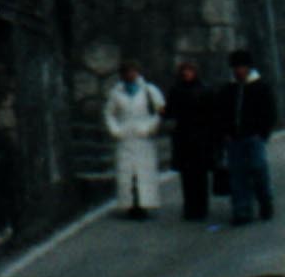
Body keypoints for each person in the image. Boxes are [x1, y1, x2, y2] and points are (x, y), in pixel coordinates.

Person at [221, 47, 278, 226]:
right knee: (237, 175)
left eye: (242, 66)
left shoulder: (260, 87)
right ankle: (241, 209)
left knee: (258, 168)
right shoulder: (228, 89)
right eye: (236, 67)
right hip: (234, 138)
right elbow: (220, 113)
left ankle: (264, 200)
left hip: (253, 136)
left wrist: (262, 133)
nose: (239, 70)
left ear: (248, 68)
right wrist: (225, 133)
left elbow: (269, 112)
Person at [168, 59, 223, 229]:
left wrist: (214, 138)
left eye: (190, 70)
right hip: (183, 137)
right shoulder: (176, 90)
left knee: (200, 174)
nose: (187, 73)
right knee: (187, 175)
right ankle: (190, 206)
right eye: (184, 70)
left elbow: (213, 114)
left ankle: (201, 207)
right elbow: (170, 111)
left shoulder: (205, 90)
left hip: (201, 137)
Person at [104, 60, 163, 218]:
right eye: (127, 72)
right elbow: (109, 114)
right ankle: (130, 205)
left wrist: (150, 127)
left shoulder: (149, 90)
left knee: (143, 172)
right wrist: (115, 130)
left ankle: (143, 204)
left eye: (133, 71)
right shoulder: (115, 92)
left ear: (138, 72)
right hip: (125, 136)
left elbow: (159, 111)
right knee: (126, 172)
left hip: (144, 137)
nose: (130, 74)